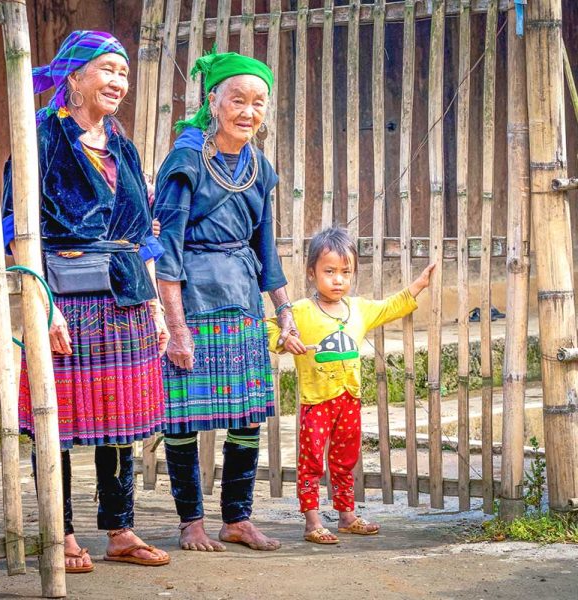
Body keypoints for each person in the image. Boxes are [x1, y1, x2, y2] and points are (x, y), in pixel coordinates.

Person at [2, 30, 170, 572]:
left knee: (121, 422)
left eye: (123, 73)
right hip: (65, 296)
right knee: (60, 420)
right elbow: (15, 227)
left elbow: (143, 233)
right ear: (73, 77)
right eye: (107, 70)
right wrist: (43, 306)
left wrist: (157, 307)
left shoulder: (123, 145)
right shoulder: (43, 138)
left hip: (125, 295)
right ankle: (63, 530)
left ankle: (120, 529)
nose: (119, 82)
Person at [154, 50, 298, 552]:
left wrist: (284, 311)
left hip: (241, 304)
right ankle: (190, 522)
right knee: (182, 418)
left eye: (258, 102)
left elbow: (266, 249)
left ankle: (237, 518)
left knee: (246, 417)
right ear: (213, 101)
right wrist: (176, 328)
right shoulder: (186, 160)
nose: (248, 111)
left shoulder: (260, 166)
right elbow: (165, 250)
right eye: (237, 99)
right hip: (193, 302)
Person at [267, 226, 434, 544]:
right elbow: (267, 328)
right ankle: (312, 520)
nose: (338, 279)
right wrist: (285, 338)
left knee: (345, 460)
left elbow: (390, 306)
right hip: (316, 400)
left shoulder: (358, 309)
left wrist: (419, 285)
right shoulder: (301, 312)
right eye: (329, 271)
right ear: (312, 273)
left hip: (349, 399)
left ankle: (346, 516)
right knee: (312, 461)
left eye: (346, 272)